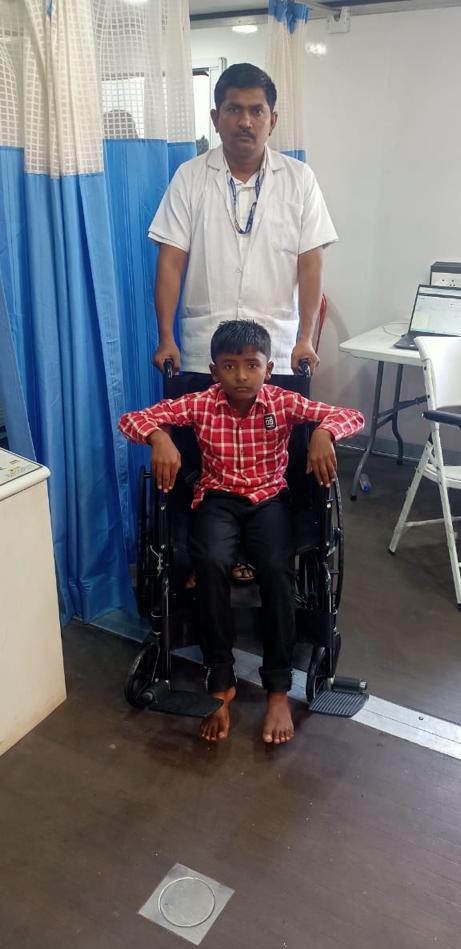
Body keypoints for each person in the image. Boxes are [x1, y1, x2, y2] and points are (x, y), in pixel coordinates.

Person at [119, 320, 364, 746]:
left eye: (252, 365)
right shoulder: (201, 403)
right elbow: (132, 419)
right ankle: (221, 681)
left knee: (276, 569)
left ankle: (277, 689)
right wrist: (159, 436)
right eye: (230, 366)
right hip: (217, 499)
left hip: (269, 500)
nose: (241, 376)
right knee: (210, 562)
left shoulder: (282, 402)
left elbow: (350, 415)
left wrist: (324, 432)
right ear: (214, 371)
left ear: (268, 369)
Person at [149, 62, 337, 380]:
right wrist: (166, 338)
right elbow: (170, 263)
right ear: (215, 119)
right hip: (206, 354)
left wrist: (305, 339)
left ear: (272, 120)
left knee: (277, 417)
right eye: (234, 109)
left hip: (276, 354)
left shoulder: (299, 179)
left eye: (256, 111)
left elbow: (310, 265)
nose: (245, 122)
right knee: (200, 417)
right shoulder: (189, 178)